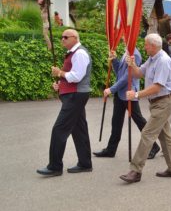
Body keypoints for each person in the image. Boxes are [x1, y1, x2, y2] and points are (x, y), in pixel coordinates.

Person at [119, 33, 171, 183]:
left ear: (153, 46)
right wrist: (132, 64)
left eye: (146, 44)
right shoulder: (153, 58)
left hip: (163, 102)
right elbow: (139, 73)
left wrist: (136, 95)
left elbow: (157, 87)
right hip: (159, 102)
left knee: (147, 134)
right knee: (165, 137)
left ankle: (135, 170)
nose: (144, 46)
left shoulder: (163, 61)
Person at [37, 29, 92, 176]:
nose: (62, 39)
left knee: (59, 129)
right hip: (75, 94)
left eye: (65, 37)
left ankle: (55, 167)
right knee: (79, 129)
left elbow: (76, 76)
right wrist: (60, 83)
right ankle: (85, 163)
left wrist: (59, 73)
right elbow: (70, 77)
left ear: (75, 38)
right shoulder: (73, 53)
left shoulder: (79, 53)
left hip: (76, 95)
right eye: (61, 37)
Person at [94, 46, 161, 159]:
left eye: (126, 35)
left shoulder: (135, 54)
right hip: (120, 94)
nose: (124, 38)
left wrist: (111, 89)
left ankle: (153, 146)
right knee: (116, 122)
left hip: (129, 93)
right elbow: (119, 72)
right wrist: (114, 60)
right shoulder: (127, 51)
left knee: (139, 121)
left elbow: (128, 76)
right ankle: (111, 150)